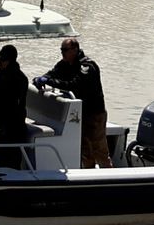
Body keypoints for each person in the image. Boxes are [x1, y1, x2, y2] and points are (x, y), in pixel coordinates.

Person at [41, 37, 110, 168]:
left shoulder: (87, 66)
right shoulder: (65, 64)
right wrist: (43, 78)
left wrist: (50, 82)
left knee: (99, 151)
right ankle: (90, 176)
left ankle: (110, 177)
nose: (62, 53)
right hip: (79, 114)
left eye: (65, 50)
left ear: (75, 50)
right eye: (61, 50)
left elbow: (74, 85)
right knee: (85, 150)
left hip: (94, 114)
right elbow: (52, 73)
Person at [0, 45, 32, 170]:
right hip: (1, 124)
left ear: (11, 60)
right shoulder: (0, 74)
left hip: (13, 128)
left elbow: (5, 99)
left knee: (10, 163)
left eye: (2, 59)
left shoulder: (19, 79)